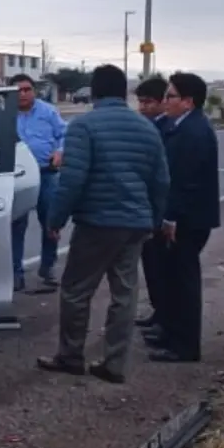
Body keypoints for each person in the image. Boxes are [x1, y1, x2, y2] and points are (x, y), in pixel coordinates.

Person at [36, 64, 170, 384]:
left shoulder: (84, 126)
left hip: (97, 223)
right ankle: (115, 364)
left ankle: (70, 356)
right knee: (125, 294)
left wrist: (56, 219)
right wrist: (152, 220)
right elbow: (161, 181)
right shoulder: (147, 128)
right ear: (123, 92)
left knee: (76, 291)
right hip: (135, 224)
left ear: (93, 92)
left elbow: (72, 180)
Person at [148, 72, 220, 363]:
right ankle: (171, 332)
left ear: (188, 102)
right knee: (171, 277)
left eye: (171, 96)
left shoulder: (194, 132)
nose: (165, 102)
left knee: (184, 280)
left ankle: (186, 346)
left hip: (189, 219)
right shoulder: (177, 124)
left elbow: (184, 181)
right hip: (180, 214)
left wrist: (171, 218)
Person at [9, 73, 66, 291]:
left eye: (27, 89)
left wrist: (60, 152)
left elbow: (64, 134)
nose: (23, 94)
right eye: (18, 90)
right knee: (17, 225)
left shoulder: (48, 111)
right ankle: (15, 273)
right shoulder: (5, 114)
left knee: (51, 223)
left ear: (33, 91)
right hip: (18, 176)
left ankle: (48, 267)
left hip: (46, 173)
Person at [132, 76, 171, 339]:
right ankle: (159, 312)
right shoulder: (148, 127)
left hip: (161, 213)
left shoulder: (166, 129)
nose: (143, 108)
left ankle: (167, 319)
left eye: (148, 102)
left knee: (163, 268)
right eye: (140, 102)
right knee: (152, 267)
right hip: (146, 211)